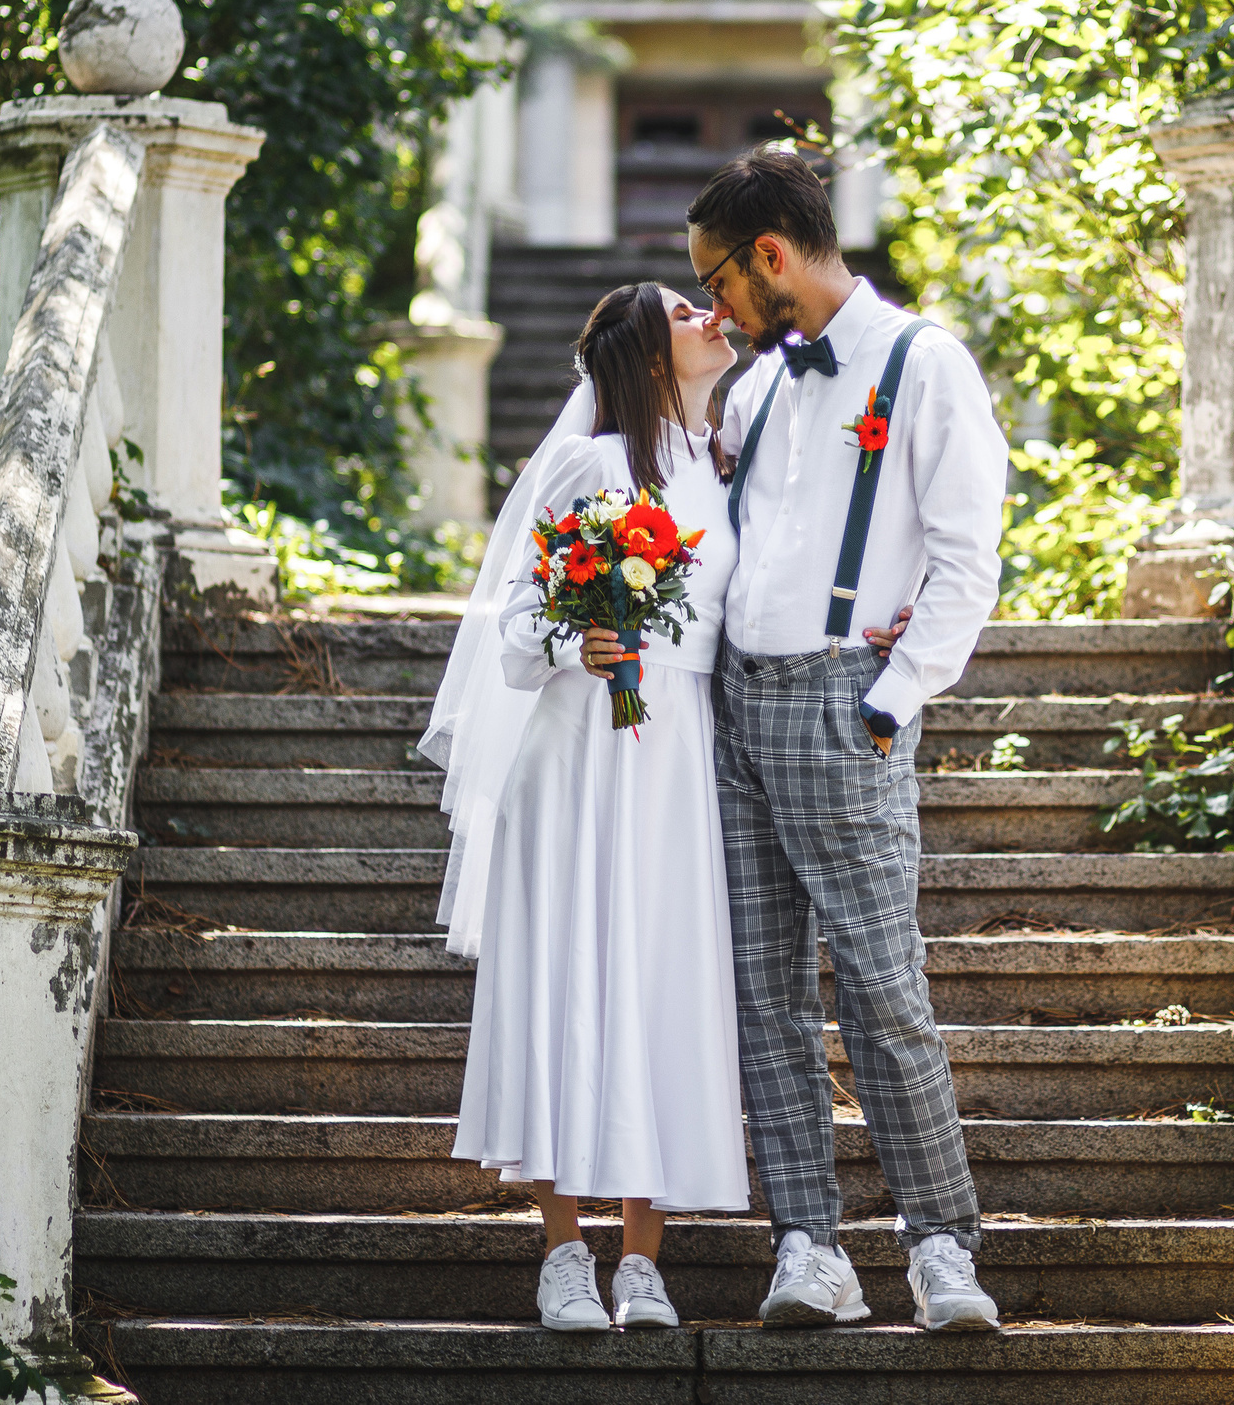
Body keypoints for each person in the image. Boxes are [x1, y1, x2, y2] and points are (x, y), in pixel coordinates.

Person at [691, 148, 1011, 1334]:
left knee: (882, 987)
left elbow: (968, 557)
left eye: (718, 281)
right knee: (764, 996)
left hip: (842, 704)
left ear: (769, 256)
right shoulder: (757, 390)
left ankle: (940, 1246)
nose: (716, 307)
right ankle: (808, 1246)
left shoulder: (924, 362)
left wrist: (893, 696)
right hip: (730, 710)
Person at [421, 281, 747, 1333]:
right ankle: (564, 1251)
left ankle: (643, 1261)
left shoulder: (724, 465)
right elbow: (517, 621)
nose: (710, 315)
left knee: (663, 975)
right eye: (685, 313)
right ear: (649, 357)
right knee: (564, 971)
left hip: (678, 749)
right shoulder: (589, 463)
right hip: (576, 747)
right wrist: (581, 638)